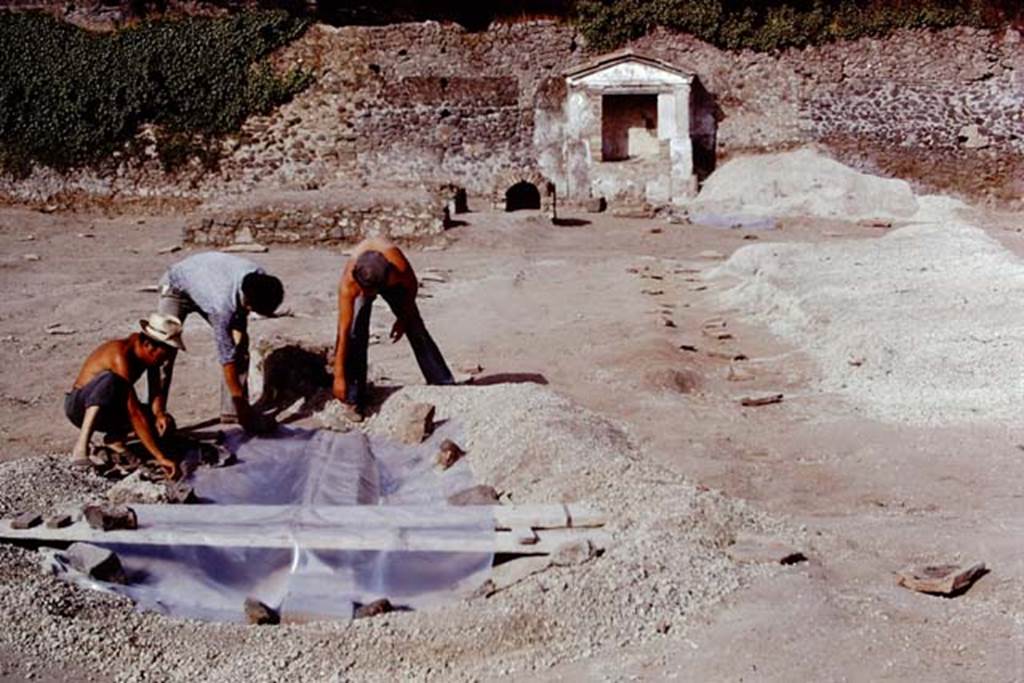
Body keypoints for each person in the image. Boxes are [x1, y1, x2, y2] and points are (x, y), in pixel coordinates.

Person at [154, 251, 283, 433]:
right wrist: (241, 400)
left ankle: (233, 413)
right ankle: (156, 414)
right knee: (162, 351)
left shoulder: (259, 278)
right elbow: (226, 357)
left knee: (240, 348)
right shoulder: (222, 305)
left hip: (208, 282)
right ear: (247, 303)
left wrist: (239, 338)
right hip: (177, 285)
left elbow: (236, 343)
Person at [333, 238, 454, 418]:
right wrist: (339, 377)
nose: (370, 296)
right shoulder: (349, 283)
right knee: (355, 333)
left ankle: (443, 383)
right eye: (368, 292)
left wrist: (402, 319)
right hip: (365, 282)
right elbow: (343, 332)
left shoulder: (398, 267)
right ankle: (353, 397)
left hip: (390, 281)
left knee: (415, 326)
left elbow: (411, 288)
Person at [65, 314, 184, 479]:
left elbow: (155, 390)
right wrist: (160, 457)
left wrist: (159, 414)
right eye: (166, 353)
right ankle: (81, 446)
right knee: (111, 380)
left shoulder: (149, 358)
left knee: (160, 423)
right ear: (149, 345)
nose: (167, 359)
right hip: (79, 407)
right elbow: (133, 410)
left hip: (108, 409)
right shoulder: (120, 355)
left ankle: (115, 440)